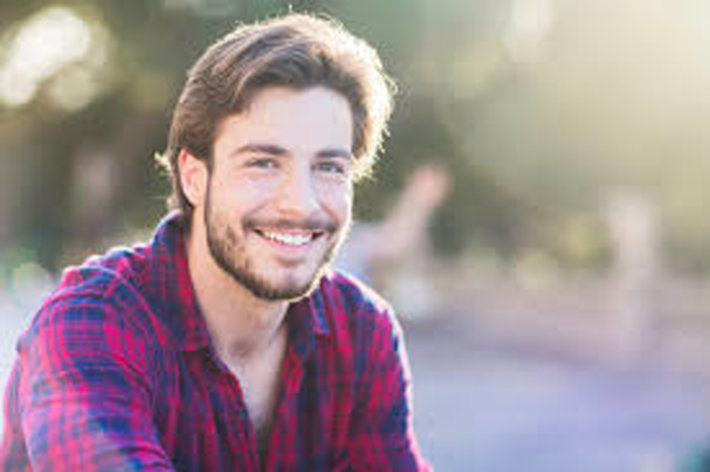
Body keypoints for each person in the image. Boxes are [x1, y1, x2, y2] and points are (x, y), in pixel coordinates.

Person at [0, 13, 430, 471]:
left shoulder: (361, 331)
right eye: (263, 163)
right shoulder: (91, 324)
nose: (301, 204)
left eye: (329, 168)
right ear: (193, 176)